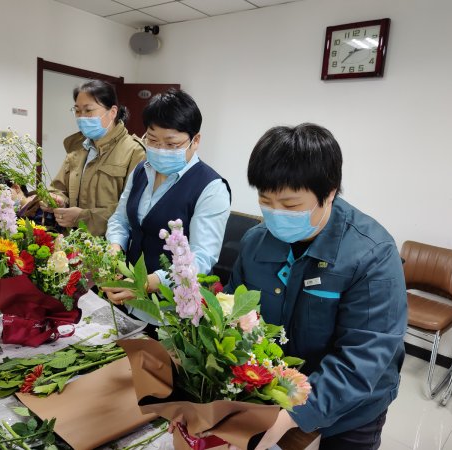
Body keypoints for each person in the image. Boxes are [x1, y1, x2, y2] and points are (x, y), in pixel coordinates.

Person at [225, 123, 407, 450]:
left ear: (330, 192)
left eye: (290, 206)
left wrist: (298, 411)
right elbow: (234, 311)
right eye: (266, 201)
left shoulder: (371, 254)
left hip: (350, 409)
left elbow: (363, 356)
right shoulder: (256, 242)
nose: (276, 214)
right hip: (272, 392)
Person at [102, 89, 231, 323]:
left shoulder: (211, 188)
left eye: (171, 144)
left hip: (170, 314)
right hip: (126, 301)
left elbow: (201, 258)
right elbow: (120, 219)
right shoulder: (141, 170)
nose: (160, 150)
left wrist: (149, 283)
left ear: (195, 141)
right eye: (152, 140)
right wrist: (114, 247)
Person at [43, 79, 146, 236]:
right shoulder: (78, 146)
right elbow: (59, 187)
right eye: (77, 111)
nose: (82, 117)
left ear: (112, 112)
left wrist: (82, 217)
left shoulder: (134, 151)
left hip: (110, 245)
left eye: (88, 110)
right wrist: (56, 199)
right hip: (73, 240)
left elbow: (133, 208)